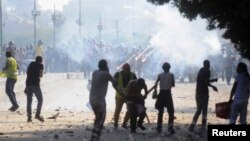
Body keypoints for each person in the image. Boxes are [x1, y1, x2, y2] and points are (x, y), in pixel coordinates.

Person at [90, 59, 116, 141]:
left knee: (98, 119)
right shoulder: (106, 74)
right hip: (100, 100)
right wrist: (108, 71)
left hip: (92, 99)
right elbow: (115, 82)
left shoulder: (94, 72)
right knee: (101, 120)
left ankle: (93, 137)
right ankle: (96, 138)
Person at [189, 60, 218, 131]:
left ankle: (192, 125)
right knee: (204, 111)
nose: (209, 66)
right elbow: (206, 83)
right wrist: (213, 86)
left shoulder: (201, 70)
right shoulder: (207, 71)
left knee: (198, 110)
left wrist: (213, 80)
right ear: (207, 65)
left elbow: (204, 80)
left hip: (198, 92)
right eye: (209, 64)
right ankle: (203, 126)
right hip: (204, 93)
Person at [113, 63, 137, 129]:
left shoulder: (133, 75)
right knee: (118, 110)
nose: (127, 71)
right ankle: (115, 124)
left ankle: (124, 123)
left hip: (129, 96)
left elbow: (136, 85)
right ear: (123, 69)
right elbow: (114, 84)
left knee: (129, 110)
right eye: (126, 69)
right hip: (119, 96)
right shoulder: (117, 74)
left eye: (128, 69)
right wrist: (119, 91)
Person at [154, 62, 175, 134]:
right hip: (168, 94)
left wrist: (155, 90)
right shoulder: (171, 75)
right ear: (169, 68)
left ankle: (159, 127)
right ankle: (170, 127)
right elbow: (173, 84)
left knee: (160, 111)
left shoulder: (160, 75)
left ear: (163, 68)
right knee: (171, 111)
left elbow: (155, 84)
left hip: (161, 94)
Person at [25, 56, 45, 122]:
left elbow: (27, 73)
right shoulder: (41, 65)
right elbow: (41, 75)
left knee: (29, 101)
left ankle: (29, 117)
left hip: (28, 84)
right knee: (40, 99)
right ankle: (37, 115)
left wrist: (26, 86)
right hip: (35, 84)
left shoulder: (31, 64)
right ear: (41, 60)